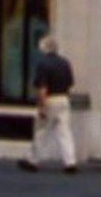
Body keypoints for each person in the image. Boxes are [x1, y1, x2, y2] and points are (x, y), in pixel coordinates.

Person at [18, 33, 77, 173]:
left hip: (50, 99)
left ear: (43, 48)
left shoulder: (42, 64)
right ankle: (70, 162)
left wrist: (41, 106)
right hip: (64, 98)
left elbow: (42, 88)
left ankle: (33, 160)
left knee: (41, 131)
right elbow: (70, 83)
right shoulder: (65, 62)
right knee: (64, 131)